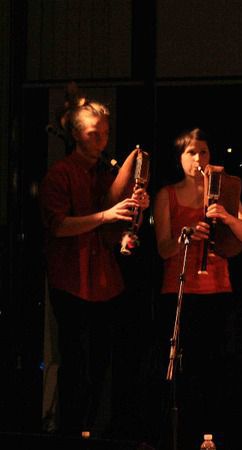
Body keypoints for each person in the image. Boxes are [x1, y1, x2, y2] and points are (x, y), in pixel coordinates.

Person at [40, 97, 150, 436]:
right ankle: (71, 432)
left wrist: (132, 220)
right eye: (92, 133)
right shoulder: (60, 173)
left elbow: (112, 230)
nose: (101, 140)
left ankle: (95, 430)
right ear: (76, 134)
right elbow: (58, 225)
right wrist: (106, 215)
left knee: (101, 365)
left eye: (104, 133)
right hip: (72, 280)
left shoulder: (107, 173)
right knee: (76, 366)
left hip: (106, 281)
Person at [153, 127, 242, 448]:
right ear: (180, 157)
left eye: (204, 152)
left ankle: (212, 437)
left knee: (217, 368)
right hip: (181, 290)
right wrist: (185, 233)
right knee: (185, 368)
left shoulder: (223, 191)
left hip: (217, 288)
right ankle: (183, 435)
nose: (198, 158)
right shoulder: (167, 194)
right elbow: (163, 249)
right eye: (191, 152)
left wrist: (225, 215)